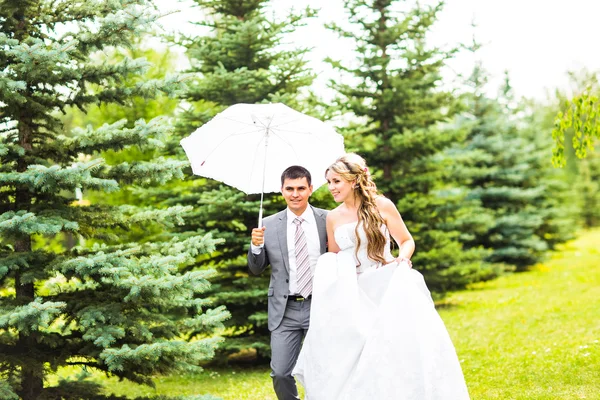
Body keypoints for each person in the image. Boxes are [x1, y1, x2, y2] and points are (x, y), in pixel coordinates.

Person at [293, 153, 470, 400]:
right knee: (357, 349)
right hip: (353, 291)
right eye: (329, 182)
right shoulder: (333, 217)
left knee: (393, 346)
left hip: (386, 284)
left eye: (336, 181)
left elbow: (406, 241)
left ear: (354, 180)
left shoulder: (382, 206)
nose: (331, 187)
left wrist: (403, 258)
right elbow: (333, 258)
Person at [248, 165, 328, 400]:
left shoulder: (327, 220)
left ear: (310, 189)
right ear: (281, 190)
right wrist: (256, 245)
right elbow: (256, 268)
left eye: (301, 188)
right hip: (285, 310)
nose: (295, 194)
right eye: (290, 188)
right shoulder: (268, 224)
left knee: (323, 370)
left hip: (321, 306)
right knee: (281, 373)